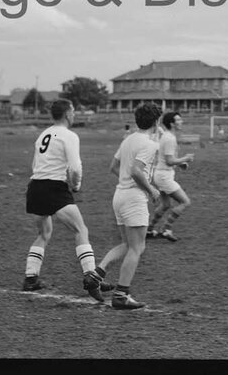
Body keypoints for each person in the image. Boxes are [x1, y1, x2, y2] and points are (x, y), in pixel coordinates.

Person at [21, 98, 109, 302]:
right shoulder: (69, 135)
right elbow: (75, 167)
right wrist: (76, 185)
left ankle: (31, 278)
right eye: (74, 111)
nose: (75, 114)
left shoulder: (43, 134)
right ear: (68, 114)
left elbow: (35, 164)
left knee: (44, 233)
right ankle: (91, 277)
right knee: (81, 230)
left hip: (35, 187)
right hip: (54, 187)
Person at [96, 103, 163, 310]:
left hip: (120, 196)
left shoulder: (129, 139)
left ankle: (96, 275)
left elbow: (113, 167)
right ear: (156, 121)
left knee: (127, 244)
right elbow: (136, 171)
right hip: (133, 198)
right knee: (137, 247)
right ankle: (121, 295)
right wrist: (150, 189)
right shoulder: (149, 144)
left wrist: (127, 181)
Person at [147, 112, 194, 242]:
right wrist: (185, 158)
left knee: (165, 204)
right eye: (178, 120)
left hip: (162, 174)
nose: (181, 121)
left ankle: (149, 230)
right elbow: (169, 161)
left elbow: (167, 159)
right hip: (164, 176)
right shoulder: (169, 139)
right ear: (172, 124)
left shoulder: (168, 136)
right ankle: (166, 229)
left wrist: (180, 164)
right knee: (185, 202)